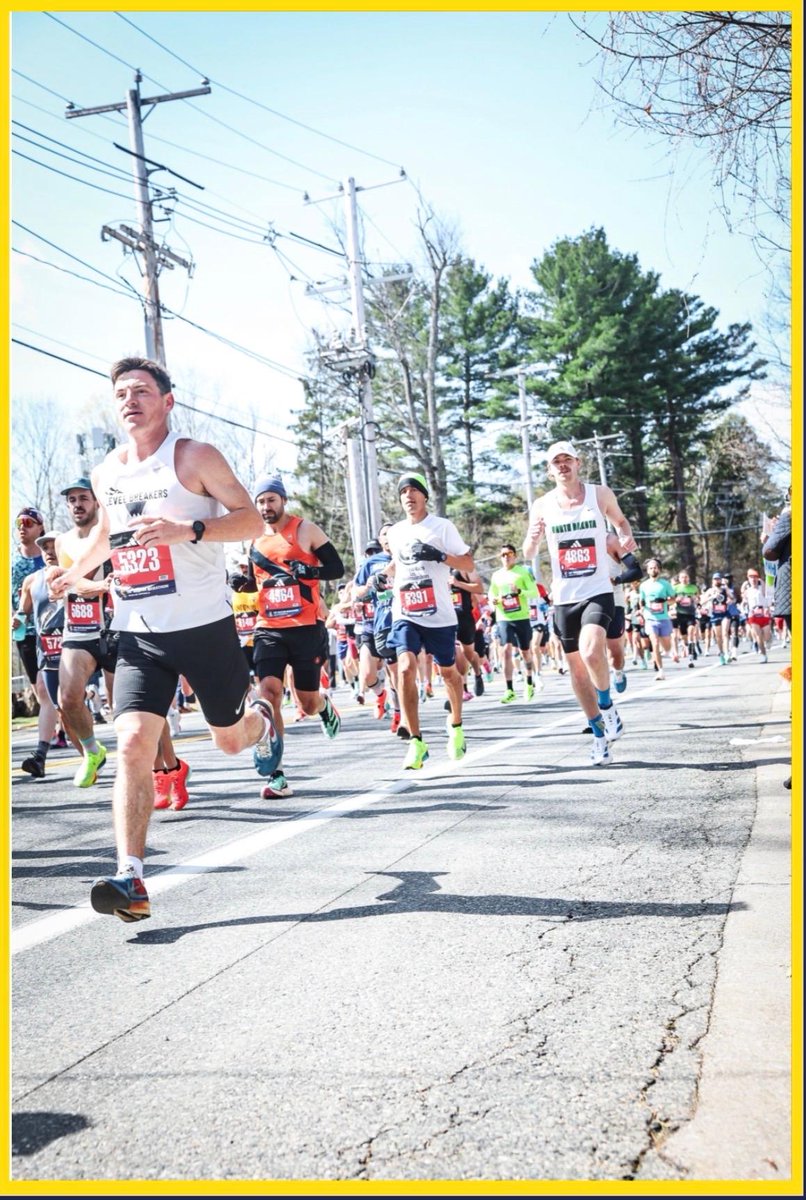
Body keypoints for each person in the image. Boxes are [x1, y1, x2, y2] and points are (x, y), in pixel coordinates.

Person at [48, 356, 276, 922]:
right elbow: (108, 531)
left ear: (167, 401)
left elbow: (251, 521)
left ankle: (266, 718)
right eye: (121, 392)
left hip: (204, 627)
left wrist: (190, 529)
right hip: (139, 633)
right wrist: (78, 571)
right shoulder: (107, 472)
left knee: (229, 740)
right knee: (131, 746)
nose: (130, 399)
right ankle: (131, 878)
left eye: (142, 390)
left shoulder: (193, 457)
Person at [523, 442, 636, 766]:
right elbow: (529, 553)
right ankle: (599, 736)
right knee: (577, 672)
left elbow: (621, 522)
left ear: (578, 463)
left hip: (597, 589)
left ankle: (607, 705)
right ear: (549, 469)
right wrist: (532, 537)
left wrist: (625, 536)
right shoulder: (543, 504)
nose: (562, 466)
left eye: (567, 460)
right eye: (556, 462)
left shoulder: (599, 495)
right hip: (564, 596)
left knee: (591, 652)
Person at [248, 475, 344, 799]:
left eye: (271, 500)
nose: (266, 507)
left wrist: (311, 572)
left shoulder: (306, 530)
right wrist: (239, 581)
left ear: (283, 500)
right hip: (269, 629)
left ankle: (324, 705)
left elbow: (336, 567)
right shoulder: (252, 537)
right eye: (261, 501)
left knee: (306, 701)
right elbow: (255, 582)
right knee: (269, 694)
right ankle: (277, 774)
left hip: (305, 628)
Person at [386, 471, 476, 769]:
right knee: (405, 668)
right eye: (403, 493)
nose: (408, 497)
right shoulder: (396, 531)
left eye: (414, 491)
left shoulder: (441, 526)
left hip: (438, 614)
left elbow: (467, 563)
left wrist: (439, 556)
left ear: (424, 495)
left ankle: (456, 727)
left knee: (448, 673)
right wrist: (379, 577)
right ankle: (416, 741)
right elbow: (396, 565)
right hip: (405, 612)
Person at [15, 531, 64, 777]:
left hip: (78, 642)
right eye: (45, 548)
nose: (49, 552)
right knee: (47, 695)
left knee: (71, 700)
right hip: (46, 644)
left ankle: (91, 749)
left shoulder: (76, 570)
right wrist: (17, 620)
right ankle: (40, 756)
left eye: (54, 546)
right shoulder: (32, 580)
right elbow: (22, 612)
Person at [487, 544, 539, 703]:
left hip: (521, 617)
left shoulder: (523, 572)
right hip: (504, 618)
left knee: (525, 652)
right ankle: (509, 689)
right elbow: (491, 594)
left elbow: (534, 592)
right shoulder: (496, 575)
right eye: (503, 554)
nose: (506, 557)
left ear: (515, 556)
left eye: (509, 554)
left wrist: (520, 592)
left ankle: (529, 682)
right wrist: (493, 602)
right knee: (506, 651)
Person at [638, 559, 677, 680]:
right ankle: (660, 671)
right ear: (647, 570)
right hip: (650, 619)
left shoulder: (665, 584)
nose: (653, 570)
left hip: (664, 618)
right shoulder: (644, 585)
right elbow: (641, 602)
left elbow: (673, 599)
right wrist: (643, 611)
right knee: (654, 643)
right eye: (650, 568)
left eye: (655, 567)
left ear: (659, 569)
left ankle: (670, 651)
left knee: (666, 647)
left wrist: (665, 601)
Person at [673, 570, 701, 667]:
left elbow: (698, 600)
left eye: (686, 577)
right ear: (679, 579)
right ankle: (687, 646)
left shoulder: (693, 588)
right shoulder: (675, 588)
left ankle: (691, 656)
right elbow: (671, 600)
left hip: (690, 614)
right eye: (682, 577)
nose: (684, 579)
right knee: (684, 637)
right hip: (680, 614)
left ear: (688, 578)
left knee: (691, 632)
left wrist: (695, 599)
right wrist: (677, 600)